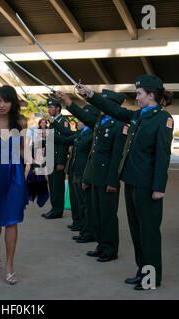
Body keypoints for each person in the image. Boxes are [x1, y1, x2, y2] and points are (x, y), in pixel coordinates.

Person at [77, 75, 174, 290]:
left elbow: (163, 154)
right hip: (131, 181)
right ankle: (142, 272)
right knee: (137, 231)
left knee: (148, 233)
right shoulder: (139, 115)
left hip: (148, 186)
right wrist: (90, 95)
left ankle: (150, 279)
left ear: (151, 95)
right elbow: (115, 111)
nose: (136, 97)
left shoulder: (163, 118)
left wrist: (159, 187)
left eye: (139, 94)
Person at [56, 89, 127, 262]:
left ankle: (110, 249)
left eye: (104, 103)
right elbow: (92, 155)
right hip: (95, 177)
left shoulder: (119, 125)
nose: (100, 107)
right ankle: (101, 245)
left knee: (108, 216)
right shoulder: (101, 122)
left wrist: (112, 181)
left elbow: (117, 156)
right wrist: (67, 100)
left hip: (107, 179)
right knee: (97, 213)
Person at [0, 85, 28, 285]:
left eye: (6, 101)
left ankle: (9, 264)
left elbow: (23, 150)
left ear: (13, 102)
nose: (1, 105)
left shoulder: (20, 122)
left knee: (12, 219)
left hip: (15, 175)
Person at [52, 105, 99, 243]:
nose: (77, 122)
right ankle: (81, 226)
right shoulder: (81, 133)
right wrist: (48, 137)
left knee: (85, 204)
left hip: (83, 172)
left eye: (80, 120)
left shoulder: (91, 133)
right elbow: (66, 138)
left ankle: (87, 231)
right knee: (77, 202)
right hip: (75, 170)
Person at [42, 98, 72, 219]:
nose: (49, 109)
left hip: (57, 159)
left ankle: (58, 210)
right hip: (50, 158)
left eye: (51, 107)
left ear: (58, 108)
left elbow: (64, 143)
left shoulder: (63, 122)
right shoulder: (52, 122)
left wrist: (61, 161)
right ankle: (54, 208)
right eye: (48, 107)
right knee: (53, 185)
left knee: (58, 186)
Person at [27, 118, 49, 208]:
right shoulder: (37, 131)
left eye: (44, 122)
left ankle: (42, 193)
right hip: (38, 152)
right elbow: (34, 143)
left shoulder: (49, 130)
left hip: (46, 152)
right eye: (42, 122)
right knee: (35, 171)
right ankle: (34, 191)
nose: (43, 124)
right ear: (39, 124)